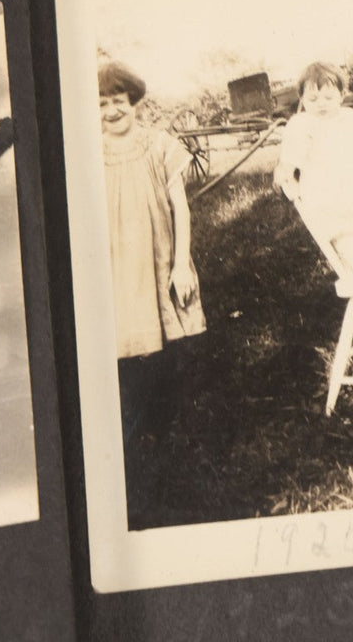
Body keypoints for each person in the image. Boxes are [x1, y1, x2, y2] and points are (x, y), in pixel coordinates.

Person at [98, 60, 206, 443]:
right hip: (113, 258)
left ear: (134, 101)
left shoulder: (158, 144)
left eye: (119, 101)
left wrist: (180, 264)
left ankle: (163, 421)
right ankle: (130, 421)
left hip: (156, 254)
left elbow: (181, 206)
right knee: (120, 338)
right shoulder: (88, 151)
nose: (112, 111)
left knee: (161, 337)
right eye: (101, 104)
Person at [273, 61, 353, 272]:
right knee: (344, 232)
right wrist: (285, 169)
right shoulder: (303, 123)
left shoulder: (349, 117)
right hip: (327, 193)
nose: (321, 104)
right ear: (302, 99)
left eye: (328, 98)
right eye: (313, 99)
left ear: (342, 96)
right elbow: (292, 152)